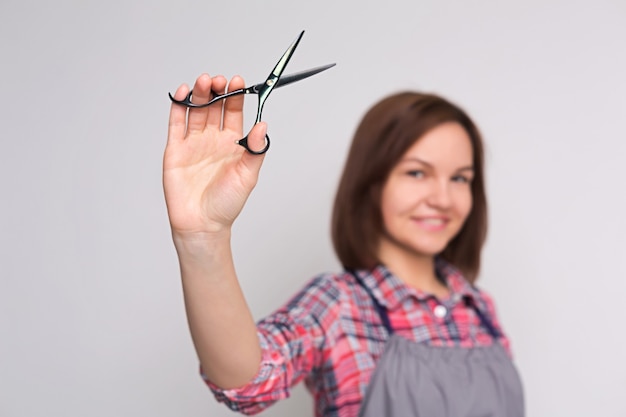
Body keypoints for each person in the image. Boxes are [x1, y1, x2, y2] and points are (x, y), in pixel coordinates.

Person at [163, 73, 525, 417]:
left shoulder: (479, 309)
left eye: (460, 178)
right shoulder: (339, 305)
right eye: (417, 173)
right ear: (372, 181)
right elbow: (249, 384)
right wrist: (204, 237)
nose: (443, 198)